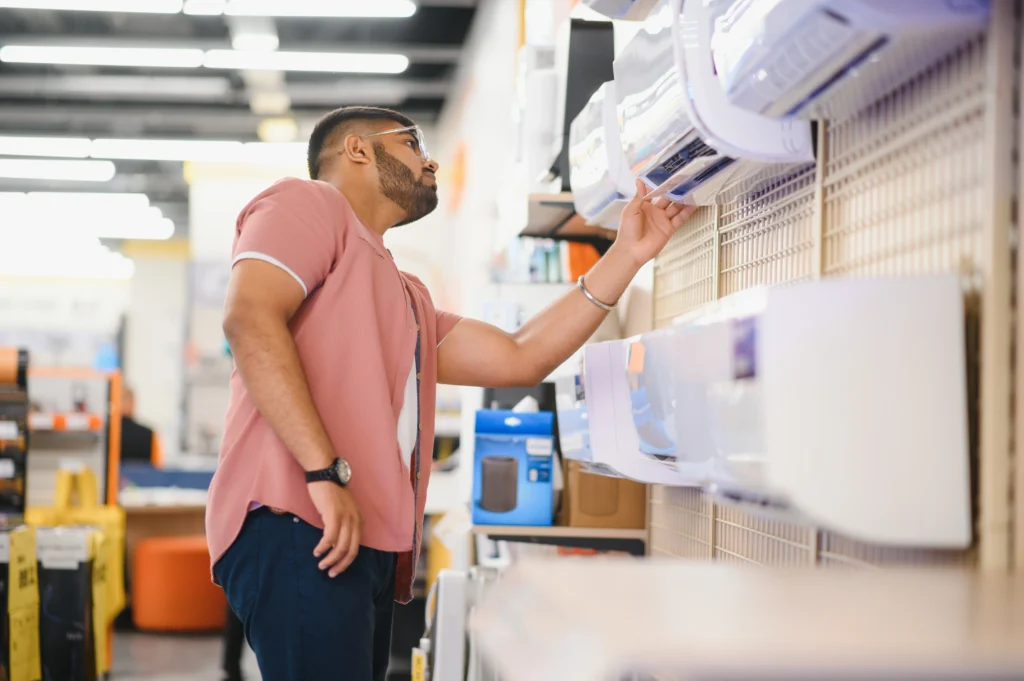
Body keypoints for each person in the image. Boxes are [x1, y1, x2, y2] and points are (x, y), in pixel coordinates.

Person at [205, 105, 696, 681]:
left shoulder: (404, 293)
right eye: (413, 143)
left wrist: (627, 256)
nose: (430, 159)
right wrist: (323, 473)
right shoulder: (307, 203)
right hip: (301, 515)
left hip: (359, 537)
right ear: (358, 150)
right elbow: (249, 319)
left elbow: (520, 355)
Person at [119, 386, 163, 467]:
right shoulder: (149, 434)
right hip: (143, 479)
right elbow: (157, 467)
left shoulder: (107, 434)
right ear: (133, 403)